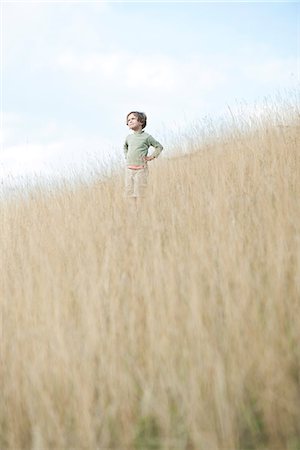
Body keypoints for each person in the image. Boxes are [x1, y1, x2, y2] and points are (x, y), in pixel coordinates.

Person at [123, 111, 163, 208]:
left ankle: (141, 210)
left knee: (140, 192)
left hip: (141, 169)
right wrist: (127, 156)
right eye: (128, 120)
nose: (130, 121)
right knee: (129, 192)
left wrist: (151, 157)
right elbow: (125, 147)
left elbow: (159, 147)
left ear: (141, 122)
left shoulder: (147, 137)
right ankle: (133, 212)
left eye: (133, 119)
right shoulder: (129, 137)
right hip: (129, 169)